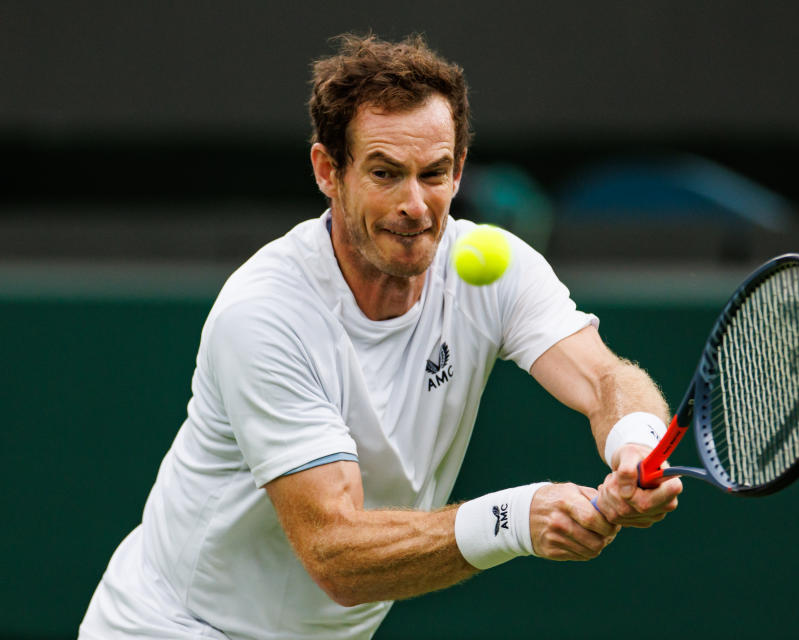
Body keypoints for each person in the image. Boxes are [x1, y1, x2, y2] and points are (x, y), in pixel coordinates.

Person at [79, 33, 683, 640]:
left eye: (434, 173)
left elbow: (604, 377)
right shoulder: (264, 314)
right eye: (385, 173)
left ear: (460, 167)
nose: (415, 205)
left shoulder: (491, 266)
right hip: (173, 628)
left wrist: (637, 444)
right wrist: (514, 519)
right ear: (328, 171)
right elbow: (336, 552)